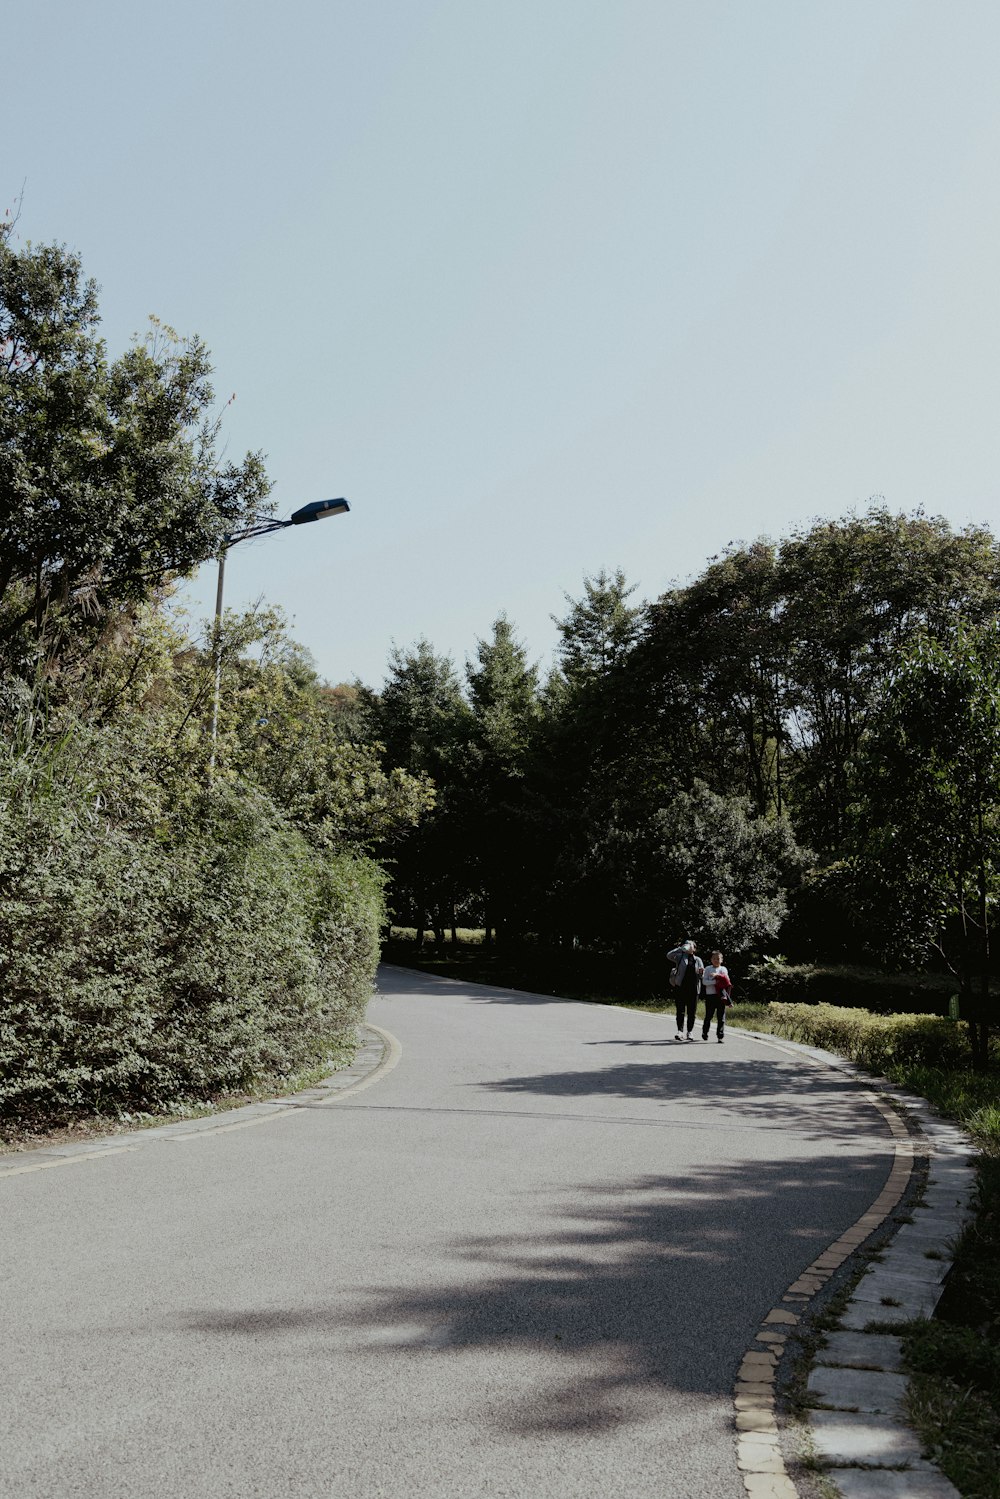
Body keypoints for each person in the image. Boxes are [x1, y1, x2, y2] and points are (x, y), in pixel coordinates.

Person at [667, 939, 704, 1042]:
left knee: (692, 1012)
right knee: (680, 1011)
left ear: (694, 948)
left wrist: (701, 972)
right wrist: (680, 948)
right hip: (681, 987)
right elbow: (669, 955)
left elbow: (702, 975)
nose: (687, 946)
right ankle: (680, 1031)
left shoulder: (698, 960)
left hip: (694, 989)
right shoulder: (680, 957)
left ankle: (690, 1032)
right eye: (686, 944)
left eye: (690, 945)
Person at [701, 950, 731, 1043]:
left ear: (721, 960)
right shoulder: (708, 969)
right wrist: (715, 982)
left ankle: (720, 1036)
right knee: (708, 1016)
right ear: (711, 959)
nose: (716, 960)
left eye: (718, 959)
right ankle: (705, 1033)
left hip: (721, 996)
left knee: (721, 1017)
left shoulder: (723, 969)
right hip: (710, 995)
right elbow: (704, 982)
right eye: (714, 958)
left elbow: (726, 980)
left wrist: (717, 976)